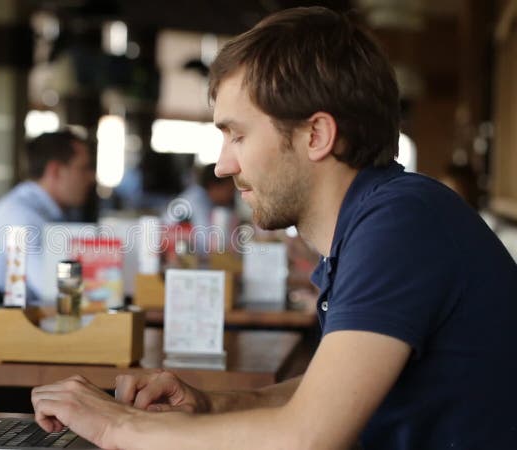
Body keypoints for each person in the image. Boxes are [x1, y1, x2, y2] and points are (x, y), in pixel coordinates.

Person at [29, 7, 517, 449]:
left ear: (316, 135)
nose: (222, 165)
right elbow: (330, 392)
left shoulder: (401, 224)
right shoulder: (378, 219)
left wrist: (115, 426)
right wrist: (210, 404)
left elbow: (307, 437)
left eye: (238, 135)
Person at [0, 130, 95, 303]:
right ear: (55, 171)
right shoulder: (22, 216)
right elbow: (54, 290)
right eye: (84, 168)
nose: (91, 178)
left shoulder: (40, 210)